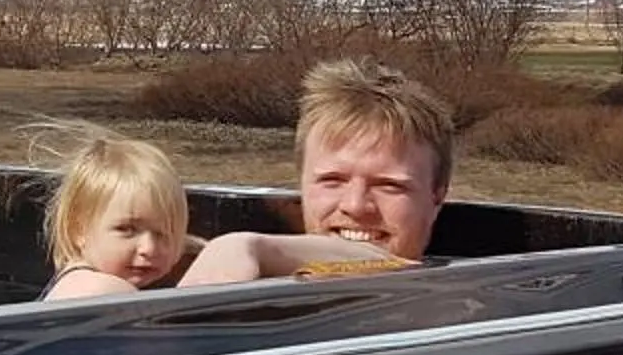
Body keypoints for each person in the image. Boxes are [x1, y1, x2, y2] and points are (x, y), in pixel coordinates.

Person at [182, 56, 452, 285]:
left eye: (389, 185)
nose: (355, 206)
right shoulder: (251, 278)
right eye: (332, 180)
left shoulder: (468, 306)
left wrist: (248, 247)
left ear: (436, 197)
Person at [39, 125, 196, 298]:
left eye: (164, 233)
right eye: (127, 229)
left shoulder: (79, 277)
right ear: (78, 230)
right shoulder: (101, 291)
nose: (149, 248)